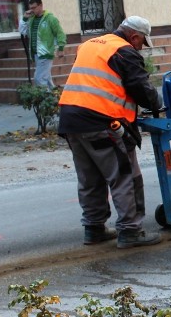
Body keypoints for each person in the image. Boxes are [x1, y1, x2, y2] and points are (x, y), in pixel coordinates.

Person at [57, 16, 164, 248]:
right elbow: (141, 89)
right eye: (142, 43)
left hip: (71, 121)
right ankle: (130, 231)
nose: (140, 48)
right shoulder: (125, 51)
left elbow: (98, 84)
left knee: (90, 178)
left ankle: (94, 229)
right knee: (125, 176)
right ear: (134, 36)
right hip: (102, 123)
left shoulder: (89, 45)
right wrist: (159, 103)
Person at [19, 0, 66, 89]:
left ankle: (44, 100)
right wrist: (24, 18)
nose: (32, 10)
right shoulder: (32, 19)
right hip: (36, 54)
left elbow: (60, 33)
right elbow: (23, 31)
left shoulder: (50, 19)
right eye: (30, 8)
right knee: (47, 79)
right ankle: (54, 98)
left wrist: (61, 48)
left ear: (40, 6)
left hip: (45, 53)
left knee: (39, 79)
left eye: (34, 7)